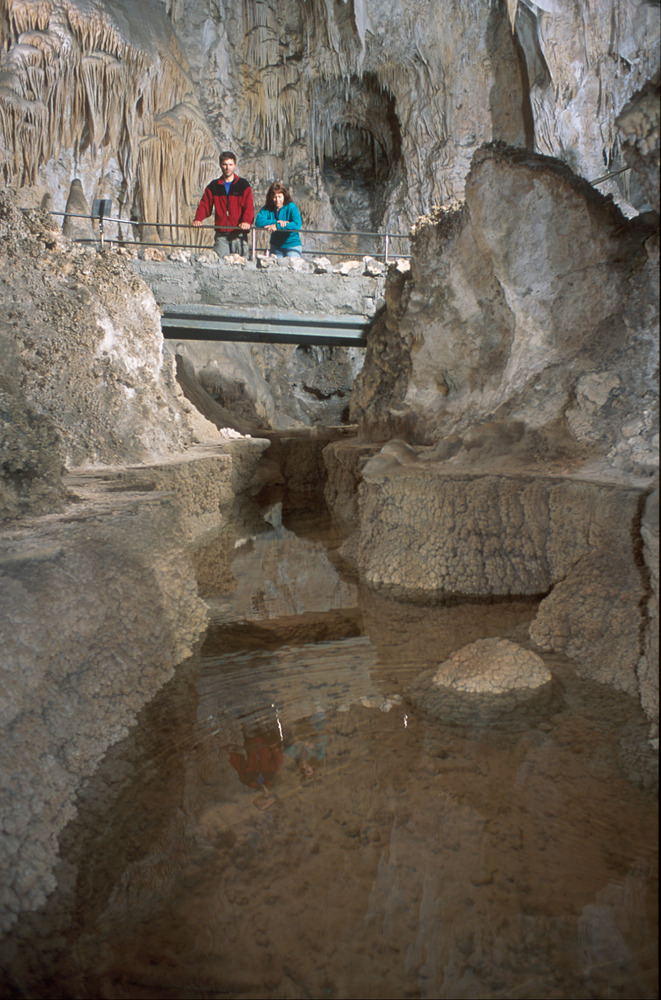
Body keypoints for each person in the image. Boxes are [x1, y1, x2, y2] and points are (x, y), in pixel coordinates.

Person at [192, 151, 254, 256]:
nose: (227, 167)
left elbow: (248, 206)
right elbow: (205, 204)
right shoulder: (214, 186)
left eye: (230, 164)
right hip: (221, 234)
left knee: (240, 265)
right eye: (225, 164)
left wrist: (247, 221)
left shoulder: (243, 185)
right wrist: (198, 219)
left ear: (234, 165)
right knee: (220, 263)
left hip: (238, 233)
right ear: (220, 165)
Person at [255, 182, 302, 257]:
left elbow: (297, 224)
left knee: (293, 267)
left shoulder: (291, 207)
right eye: (275, 197)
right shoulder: (268, 208)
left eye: (279, 197)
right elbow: (258, 221)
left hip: (292, 245)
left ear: (284, 196)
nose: (277, 200)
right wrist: (275, 222)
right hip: (276, 246)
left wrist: (278, 227)